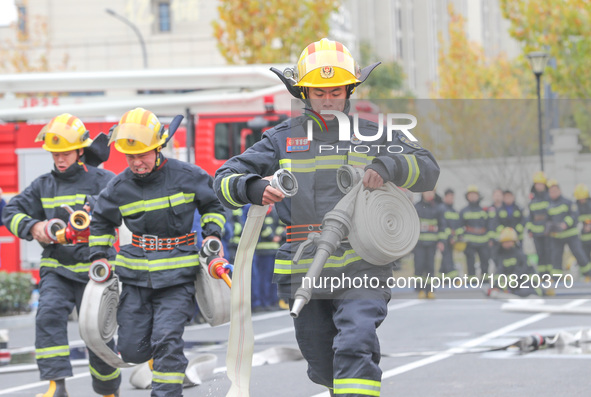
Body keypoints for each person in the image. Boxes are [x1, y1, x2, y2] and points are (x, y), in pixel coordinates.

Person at [214, 38, 439, 396]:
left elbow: (428, 169)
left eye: (336, 90)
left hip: (362, 263)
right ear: (304, 92)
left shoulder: (376, 134)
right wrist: (255, 188)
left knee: (354, 343)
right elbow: (223, 180)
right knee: (323, 364)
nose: (329, 99)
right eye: (320, 92)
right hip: (304, 270)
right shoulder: (280, 140)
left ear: (349, 89)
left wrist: (389, 164)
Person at [88, 108, 226, 396]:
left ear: (158, 147)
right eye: (131, 157)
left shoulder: (188, 176)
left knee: (167, 337)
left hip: (177, 276)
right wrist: (99, 255)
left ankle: (165, 391)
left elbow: (213, 205)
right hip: (136, 278)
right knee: (132, 348)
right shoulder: (117, 188)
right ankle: (157, 361)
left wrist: (212, 235)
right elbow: (101, 221)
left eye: (143, 155)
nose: (137, 162)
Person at [1, 114, 120, 397]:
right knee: (48, 318)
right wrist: (35, 226)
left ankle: (108, 391)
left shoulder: (106, 181)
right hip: (58, 268)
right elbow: (10, 212)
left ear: (80, 150)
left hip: (97, 270)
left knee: (98, 334)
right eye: (55, 154)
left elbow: (124, 215)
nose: (59, 159)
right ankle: (57, 386)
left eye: (65, 153)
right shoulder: (44, 185)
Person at [546, 179, 591, 278]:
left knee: (579, 254)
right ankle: (556, 278)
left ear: (559, 191)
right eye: (551, 191)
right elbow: (547, 220)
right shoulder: (548, 206)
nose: (553, 193)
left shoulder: (568, 202)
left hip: (571, 235)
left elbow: (574, 216)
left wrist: (565, 223)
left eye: (555, 190)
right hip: (556, 236)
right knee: (556, 258)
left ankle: (588, 274)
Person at [489, 227, 542, 298]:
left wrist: (511, 282)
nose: (507, 244)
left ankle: (536, 292)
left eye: (509, 241)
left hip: (527, 280)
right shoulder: (500, 256)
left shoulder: (519, 254)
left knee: (523, 292)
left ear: (514, 242)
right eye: (505, 242)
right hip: (514, 283)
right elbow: (499, 272)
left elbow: (522, 271)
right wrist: (496, 286)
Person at [413, 190, 446, 298]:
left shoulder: (437, 208)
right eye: (427, 192)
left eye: (431, 192)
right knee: (419, 266)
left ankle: (430, 290)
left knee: (430, 267)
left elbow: (442, 226)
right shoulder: (416, 207)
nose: (429, 194)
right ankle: (420, 290)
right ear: (422, 193)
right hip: (419, 244)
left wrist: (441, 241)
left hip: (432, 244)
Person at [457, 185, 493, 279]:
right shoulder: (463, 211)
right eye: (470, 195)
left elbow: (489, 226)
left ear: (478, 196)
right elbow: (459, 227)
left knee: (485, 262)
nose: (473, 197)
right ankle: (472, 281)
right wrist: (460, 237)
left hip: (483, 241)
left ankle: (484, 281)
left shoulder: (484, 211)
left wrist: (490, 239)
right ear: (467, 197)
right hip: (469, 242)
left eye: (474, 194)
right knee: (470, 262)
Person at [526, 171, 552, 275]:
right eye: (537, 184)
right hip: (537, 233)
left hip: (547, 231)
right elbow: (530, 216)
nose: (539, 186)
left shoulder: (549, 197)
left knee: (548, 253)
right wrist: (530, 230)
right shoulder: (533, 199)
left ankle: (550, 275)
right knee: (540, 254)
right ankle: (542, 275)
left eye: (540, 184)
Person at [439, 188, 460, 278]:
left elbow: (456, 227)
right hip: (444, 239)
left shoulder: (454, 211)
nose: (451, 199)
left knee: (446, 258)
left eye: (452, 197)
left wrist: (456, 237)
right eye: (449, 197)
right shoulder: (442, 209)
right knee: (448, 258)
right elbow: (443, 225)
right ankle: (454, 278)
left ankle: (441, 277)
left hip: (451, 239)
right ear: (445, 197)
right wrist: (450, 236)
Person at [574, 183, 591, 261]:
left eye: (583, 198)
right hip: (582, 239)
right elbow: (575, 219)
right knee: (585, 258)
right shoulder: (575, 207)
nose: (582, 200)